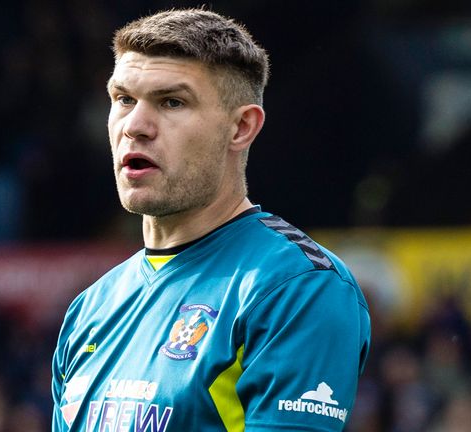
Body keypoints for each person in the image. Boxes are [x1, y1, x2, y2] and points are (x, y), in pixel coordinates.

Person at [52, 8, 371, 431]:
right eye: (124, 99)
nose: (135, 126)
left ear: (241, 127)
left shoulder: (297, 287)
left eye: (172, 102)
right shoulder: (89, 309)